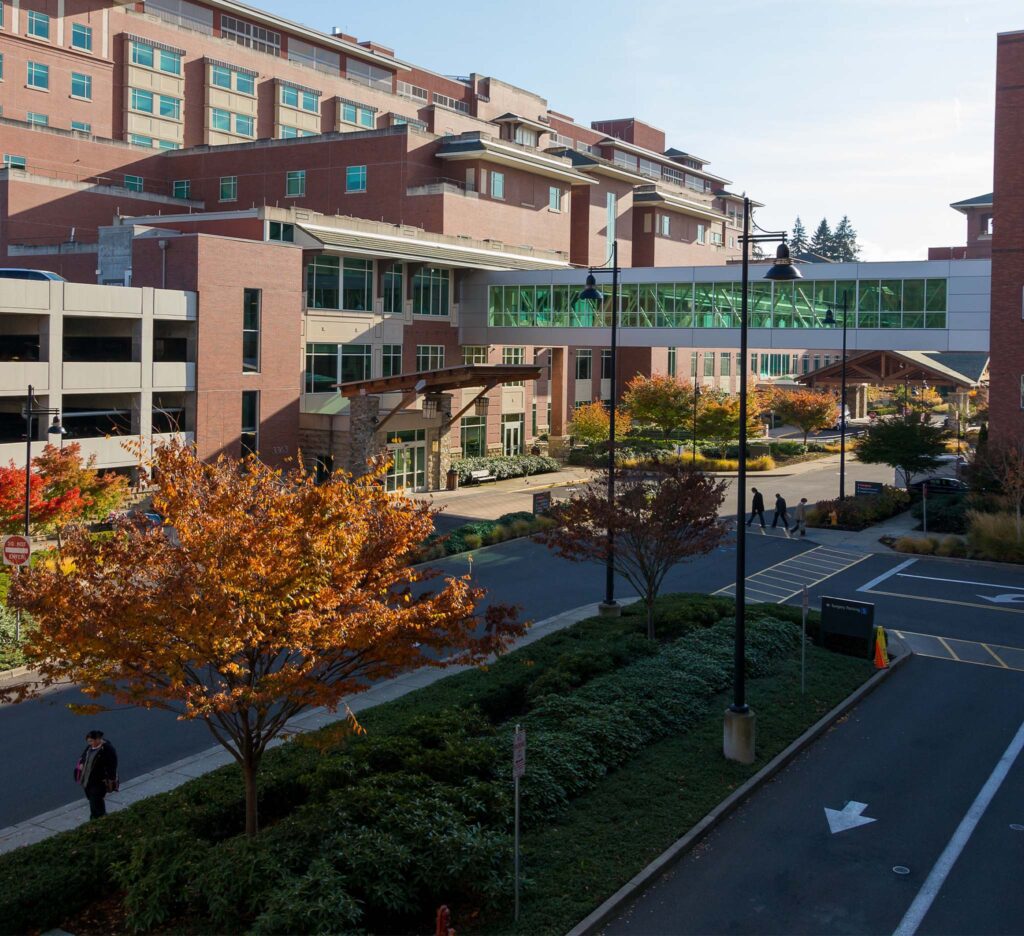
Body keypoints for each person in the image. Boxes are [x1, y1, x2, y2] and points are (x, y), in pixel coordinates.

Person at [75, 730, 118, 820]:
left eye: (91, 741)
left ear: (98, 739)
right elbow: (83, 757)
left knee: (96, 799)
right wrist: (82, 764)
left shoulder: (107, 749)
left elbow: (112, 765)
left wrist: (111, 779)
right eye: (88, 741)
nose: (89, 743)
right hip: (87, 779)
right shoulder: (90, 747)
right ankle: (96, 816)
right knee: (91, 799)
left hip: (99, 780)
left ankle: (99, 816)